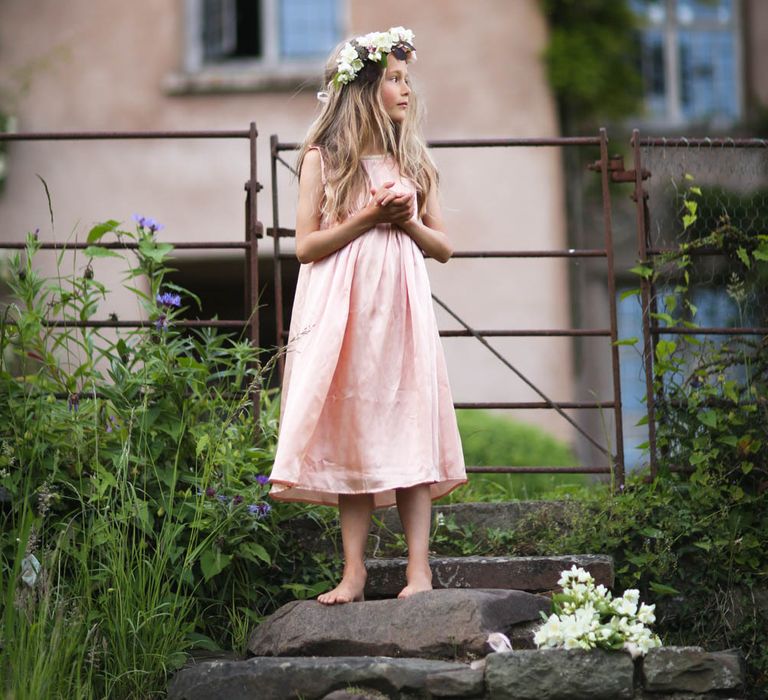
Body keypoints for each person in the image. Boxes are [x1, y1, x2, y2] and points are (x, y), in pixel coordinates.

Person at [268, 27, 466, 605]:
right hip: (346, 311)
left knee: (409, 425)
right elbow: (306, 246)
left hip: (401, 311)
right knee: (355, 429)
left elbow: (444, 247)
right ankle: (353, 574)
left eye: (408, 80)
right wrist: (369, 218)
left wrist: (404, 222)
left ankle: (419, 572)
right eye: (395, 80)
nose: (407, 91)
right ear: (364, 90)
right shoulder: (323, 159)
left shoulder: (414, 160)